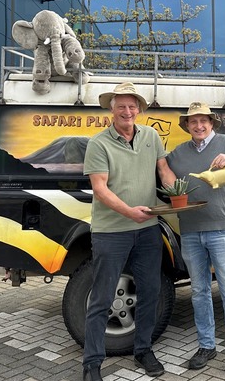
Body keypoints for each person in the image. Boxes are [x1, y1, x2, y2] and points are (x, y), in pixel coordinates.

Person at [81, 82, 176, 381]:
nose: (127, 111)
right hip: (111, 232)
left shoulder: (150, 136)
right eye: (121, 106)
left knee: (150, 291)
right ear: (112, 110)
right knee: (101, 298)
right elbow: (100, 189)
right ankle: (92, 363)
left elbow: (163, 170)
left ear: (139, 109)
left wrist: (178, 192)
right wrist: (129, 212)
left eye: (132, 106)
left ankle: (143, 350)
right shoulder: (99, 144)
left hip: (148, 230)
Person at [167, 102, 225, 381]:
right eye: (193, 122)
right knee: (199, 292)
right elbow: (161, 170)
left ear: (211, 123)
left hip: (224, 231)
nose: (198, 126)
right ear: (187, 126)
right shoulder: (178, 153)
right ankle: (206, 346)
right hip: (191, 231)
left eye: (203, 121)